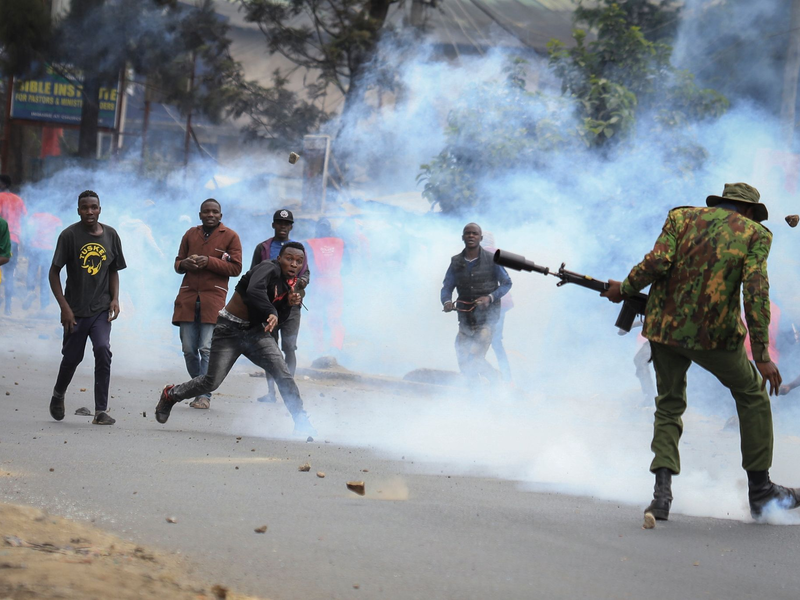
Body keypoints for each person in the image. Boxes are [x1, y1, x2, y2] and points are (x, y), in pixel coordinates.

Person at [601, 182, 799, 523]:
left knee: (669, 404)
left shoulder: (680, 217)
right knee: (752, 395)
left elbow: (658, 261)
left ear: (721, 203)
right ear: (749, 211)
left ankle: (661, 496)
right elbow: (755, 293)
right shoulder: (756, 234)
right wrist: (763, 355)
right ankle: (761, 490)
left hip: (664, 329)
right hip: (715, 337)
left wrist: (627, 287)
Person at [155, 242, 317, 436]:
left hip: (257, 334)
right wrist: (272, 311)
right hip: (229, 330)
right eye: (289, 259)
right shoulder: (268, 267)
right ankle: (171, 395)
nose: (293, 265)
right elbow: (254, 291)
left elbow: (278, 320)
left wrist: (288, 305)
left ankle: (301, 421)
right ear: (280, 258)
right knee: (211, 382)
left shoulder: (288, 286)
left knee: (283, 374)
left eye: (298, 262)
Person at [48, 190, 126, 426]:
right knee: (72, 357)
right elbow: (54, 273)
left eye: (94, 207)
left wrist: (115, 298)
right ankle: (58, 394)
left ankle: (100, 411)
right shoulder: (69, 236)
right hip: (75, 309)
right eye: (85, 208)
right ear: (78, 210)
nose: (89, 211)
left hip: (101, 308)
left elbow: (113, 268)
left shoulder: (111, 235)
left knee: (103, 350)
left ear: (100, 209)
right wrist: (65, 307)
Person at [172, 198, 242, 410]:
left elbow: (236, 268)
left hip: (213, 299)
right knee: (188, 349)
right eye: (206, 212)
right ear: (200, 214)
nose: (210, 215)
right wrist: (185, 263)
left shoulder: (230, 236)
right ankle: (198, 386)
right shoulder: (190, 234)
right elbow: (177, 263)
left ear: (221, 215)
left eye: (215, 212)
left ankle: (204, 394)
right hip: (188, 298)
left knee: (206, 347)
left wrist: (209, 261)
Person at [250, 209, 309, 403]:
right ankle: (271, 393)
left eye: (286, 224)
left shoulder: (299, 250)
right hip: (270, 305)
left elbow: (306, 273)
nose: (283, 227)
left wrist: (300, 284)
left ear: (291, 226)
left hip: (292, 306)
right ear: (273, 225)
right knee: (270, 348)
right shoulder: (263, 248)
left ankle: (288, 390)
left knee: (289, 347)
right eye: (279, 223)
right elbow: (253, 273)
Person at [441, 223, 512, 384]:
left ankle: (497, 380)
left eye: (475, 233)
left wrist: (490, 297)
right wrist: (446, 301)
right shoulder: (456, 262)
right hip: (465, 320)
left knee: (474, 358)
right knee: (463, 359)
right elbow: (446, 287)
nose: (471, 236)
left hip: (487, 320)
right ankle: (476, 393)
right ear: (463, 237)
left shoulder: (492, 260)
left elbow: (507, 283)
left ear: (480, 238)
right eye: (468, 233)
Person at [306, 218, 347, 354]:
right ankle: (336, 347)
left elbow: (306, 266)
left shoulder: (309, 244)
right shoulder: (341, 243)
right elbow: (349, 266)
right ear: (331, 229)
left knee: (316, 316)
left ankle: (319, 349)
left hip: (318, 283)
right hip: (335, 282)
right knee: (335, 316)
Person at [24, 211, 63, 311]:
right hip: (48, 249)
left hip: (35, 247)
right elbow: (59, 235)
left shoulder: (35, 216)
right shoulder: (56, 220)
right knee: (45, 278)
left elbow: (28, 230)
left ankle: (30, 291)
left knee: (32, 271)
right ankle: (44, 305)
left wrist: (27, 245)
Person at [0, 174, 27, 315]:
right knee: (9, 273)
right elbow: (24, 219)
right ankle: (8, 308)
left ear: (3, 184)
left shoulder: (0, 198)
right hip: (14, 239)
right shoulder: (19, 200)